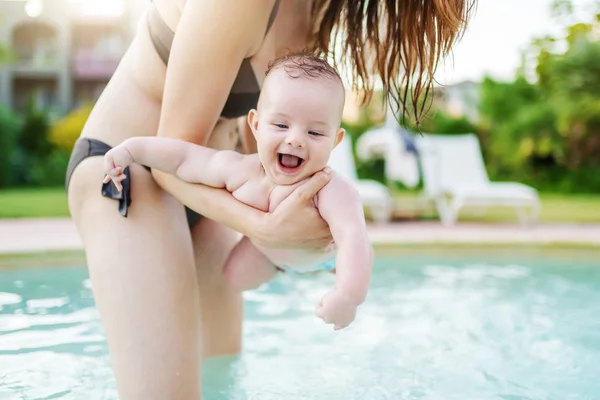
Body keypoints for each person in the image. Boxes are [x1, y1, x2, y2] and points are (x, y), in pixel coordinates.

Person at [65, 0, 475, 398]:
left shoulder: (315, 12)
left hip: (217, 193)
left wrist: (293, 221)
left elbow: (268, 136)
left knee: (221, 375)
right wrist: (265, 228)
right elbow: (174, 158)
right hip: (130, 169)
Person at [103, 53, 373, 331]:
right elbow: (185, 158)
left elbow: (354, 238)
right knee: (234, 277)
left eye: (315, 133)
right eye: (281, 125)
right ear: (255, 125)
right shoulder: (240, 171)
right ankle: (280, 267)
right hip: (270, 254)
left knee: (355, 259)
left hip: (325, 254)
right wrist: (132, 149)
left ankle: (333, 271)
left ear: (336, 140)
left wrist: (348, 297)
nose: (295, 140)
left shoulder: (330, 189)